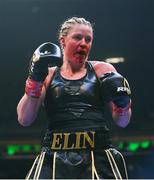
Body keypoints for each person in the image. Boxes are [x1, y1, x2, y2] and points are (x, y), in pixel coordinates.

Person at [17, 17, 132, 179]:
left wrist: (123, 103)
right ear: (62, 41)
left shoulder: (103, 70)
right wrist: (34, 79)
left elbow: (123, 122)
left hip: (98, 156)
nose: (84, 43)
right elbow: (24, 119)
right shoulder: (48, 75)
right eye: (77, 37)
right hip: (54, 156)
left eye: (88, 39)